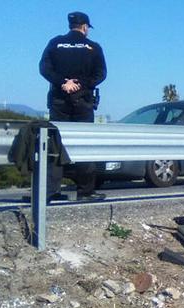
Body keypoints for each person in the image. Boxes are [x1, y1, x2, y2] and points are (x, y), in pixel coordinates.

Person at [38, 11, 107, 201]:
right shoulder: (93, 47)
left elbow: (44, 68)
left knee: (55, 145)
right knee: (84, 145)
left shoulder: (55, 43)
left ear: (71, 26)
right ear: (85, 27)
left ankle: (51, 191)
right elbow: (101, 74)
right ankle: (85, 191)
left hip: (59, 100)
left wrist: (63, 83)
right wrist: (80, 84)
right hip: (83, 101)